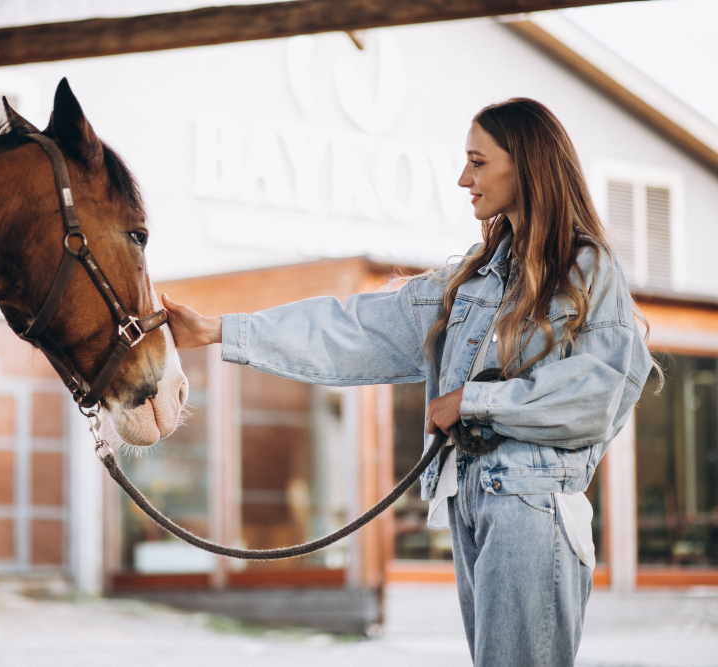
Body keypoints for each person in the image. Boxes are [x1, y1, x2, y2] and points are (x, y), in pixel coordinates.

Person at [162, 98, 653, 666]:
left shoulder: (587, 268)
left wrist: (475, 401)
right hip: (476, 504)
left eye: (478, 162)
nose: (463, 178)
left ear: (526, 164)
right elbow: (351, 327)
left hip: (533, 509)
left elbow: (598, 394)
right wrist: (219, 330)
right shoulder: (473, 280)